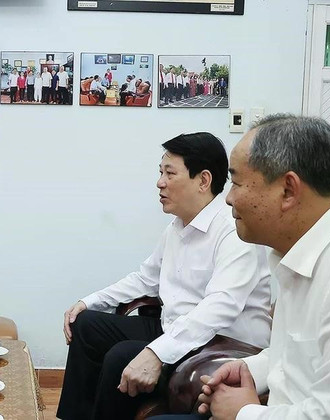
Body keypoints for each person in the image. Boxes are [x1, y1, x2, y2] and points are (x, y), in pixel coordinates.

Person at [152, 115, 330, 420]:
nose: (228, 198)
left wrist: (243, 413)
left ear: (287, 190)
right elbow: (299, 355)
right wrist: (250, 368)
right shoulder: (298, 252)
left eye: (238, 183)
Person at [57, 132, 272, 420]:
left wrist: (157, 353)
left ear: (203, 180)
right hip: (175, 327)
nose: (160, 182)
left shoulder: (233, 231)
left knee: (121, 356)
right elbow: (145, 278)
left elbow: (219, 308)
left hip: (219, 343)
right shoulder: (176, 227)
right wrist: (90, 301)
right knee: (87, 324)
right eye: (160, 172)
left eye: (170, 173)